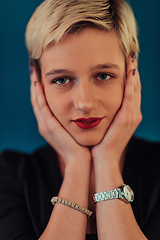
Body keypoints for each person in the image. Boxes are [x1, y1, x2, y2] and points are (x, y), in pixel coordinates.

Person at [0, 0, 160, 239]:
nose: (84, 103)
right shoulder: (9, 174)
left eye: (103, 75)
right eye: (62, 79)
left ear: (130, 72)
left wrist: (106, 161)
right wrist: (77, 164)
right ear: (37, 81)